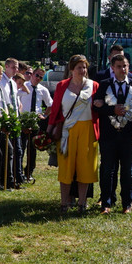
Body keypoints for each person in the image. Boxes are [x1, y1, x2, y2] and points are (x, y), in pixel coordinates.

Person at [94, 52, 132, 214]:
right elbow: (96, 107)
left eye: (125, 66)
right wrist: (112, 110)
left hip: (128, 135)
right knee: (107, 170)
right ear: (113, 68)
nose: (122, 69)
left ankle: (127, 204)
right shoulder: (104, 85)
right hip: (108, 135)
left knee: (127, 171)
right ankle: (106, 203)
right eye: (119, 66)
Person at [47, 54, 99, 212]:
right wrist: (49, 130)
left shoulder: (94, 85)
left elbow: (99, 108)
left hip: (87, 130)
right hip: (67, 131)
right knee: (66, 167)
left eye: (84, 67)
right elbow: (55, 109)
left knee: (86, 167)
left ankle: (82, 203)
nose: (82, 70)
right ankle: (64, 203)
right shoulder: (62, 86)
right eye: (79, 68)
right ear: (71, 69)